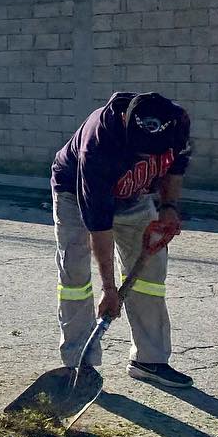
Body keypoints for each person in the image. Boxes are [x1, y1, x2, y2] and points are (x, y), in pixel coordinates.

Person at [51, 91, 193, 389]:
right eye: (141, 150)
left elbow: (176, 167)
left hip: (137, 195)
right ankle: (80, 363)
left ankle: (149, 360)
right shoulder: (99, 143)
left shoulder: (177, 122)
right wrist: (109, 288)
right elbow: (99, 225)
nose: (146, 156)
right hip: (75, 195)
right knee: (76, 277)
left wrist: (168, 207)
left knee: (150, 276)